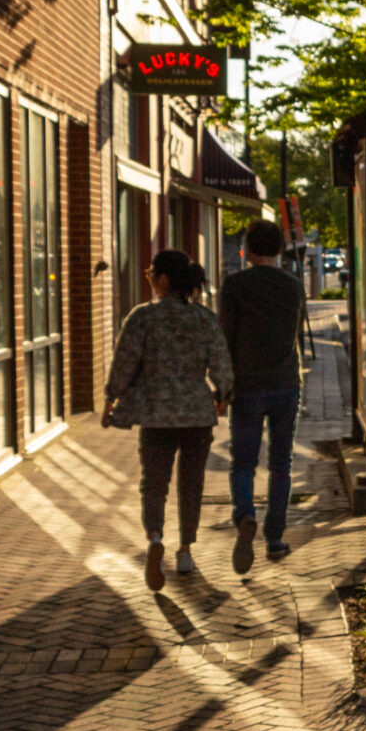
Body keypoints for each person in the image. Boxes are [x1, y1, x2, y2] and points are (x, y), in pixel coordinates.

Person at [105, 250, 233, 591]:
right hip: (196, 414)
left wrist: (110, 398)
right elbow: (221, 363)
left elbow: (124, 362)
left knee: (154, 483)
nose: (147, 277)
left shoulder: (143, 318)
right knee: (192, 484)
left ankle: (155, 538)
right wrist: (223, 395)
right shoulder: (204, 319)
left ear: (163, 279)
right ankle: (186, 550)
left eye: (150, 272)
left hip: (155, 414)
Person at [220, 217, 313, 572]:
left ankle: (245, 514)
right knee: (281, 464)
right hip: (286, 383)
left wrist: (223, 386)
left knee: (243, 462)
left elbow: (225, 338)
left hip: (246, 386)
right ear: (278, 249)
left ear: (248, 249)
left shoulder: (235, 285)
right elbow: (294, 332)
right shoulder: (293, 286)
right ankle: (274, 536)